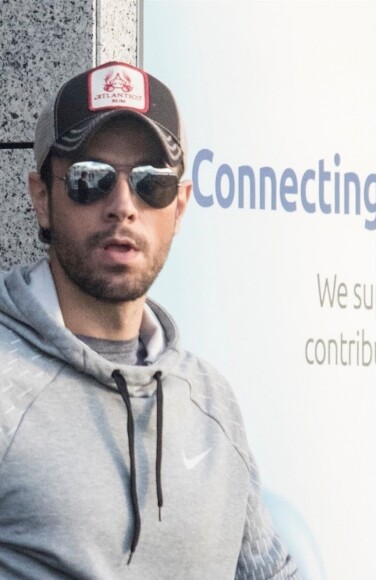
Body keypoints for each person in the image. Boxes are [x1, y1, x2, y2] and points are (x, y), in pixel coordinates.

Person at [0, 61, 299, 579]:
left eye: (150, 183)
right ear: (42, 197)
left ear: (179, 208)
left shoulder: (210, 401)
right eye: (89, 179)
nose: (123, 206)